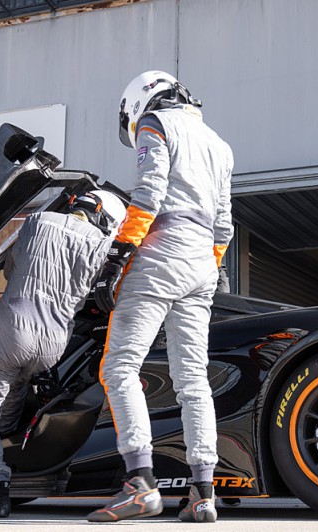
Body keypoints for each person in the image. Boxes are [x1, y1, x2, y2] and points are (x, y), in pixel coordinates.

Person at [87, 71, 233, 523]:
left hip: (160, 254)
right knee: (193, 380)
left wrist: (118, 255)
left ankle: (140, 485)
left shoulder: (156, 123)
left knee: (119, 367)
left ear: (139, 103)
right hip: (202, 264)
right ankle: (203, 493)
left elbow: (149, 193)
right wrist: (211, 266)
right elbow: (224, 222)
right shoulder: (219, 145)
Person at [0, 190, 126, 518]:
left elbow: (10, 270)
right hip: (54, 341)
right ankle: (9, 432)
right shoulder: (102, 245)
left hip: (12, 330)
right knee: (17, 383)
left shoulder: (37, 221)